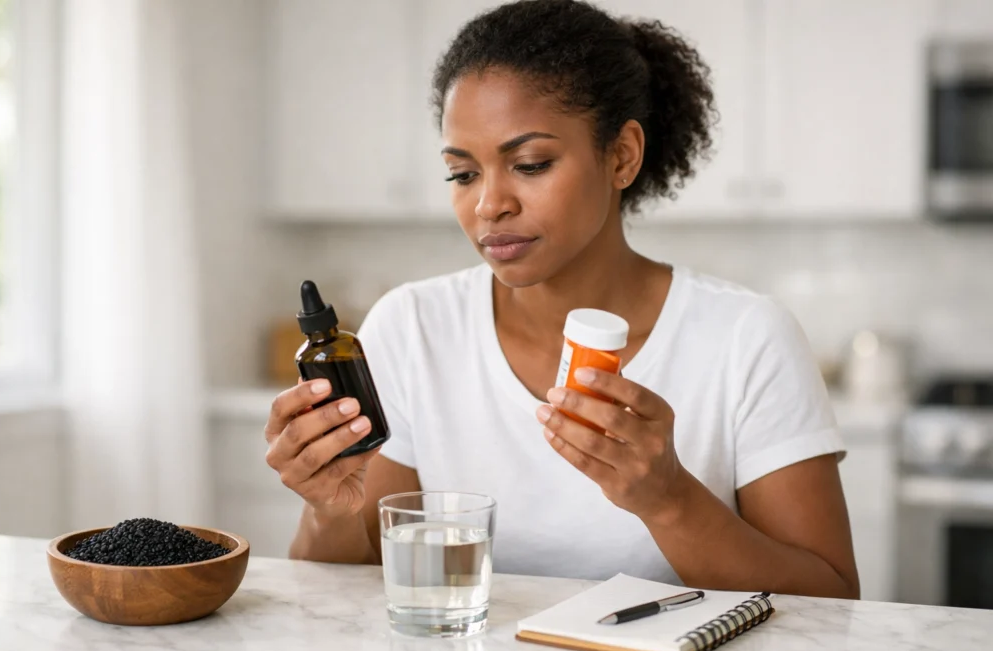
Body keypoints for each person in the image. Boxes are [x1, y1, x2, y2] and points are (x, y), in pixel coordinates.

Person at [264, 0, 859, 599]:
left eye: (530, 164)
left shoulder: (746, 338)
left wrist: (671, 500)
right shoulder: (413, 327)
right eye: (462, 174)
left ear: (621, 155)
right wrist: (328, 506)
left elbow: (833, 603)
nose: (489, 205)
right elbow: (340, 602)